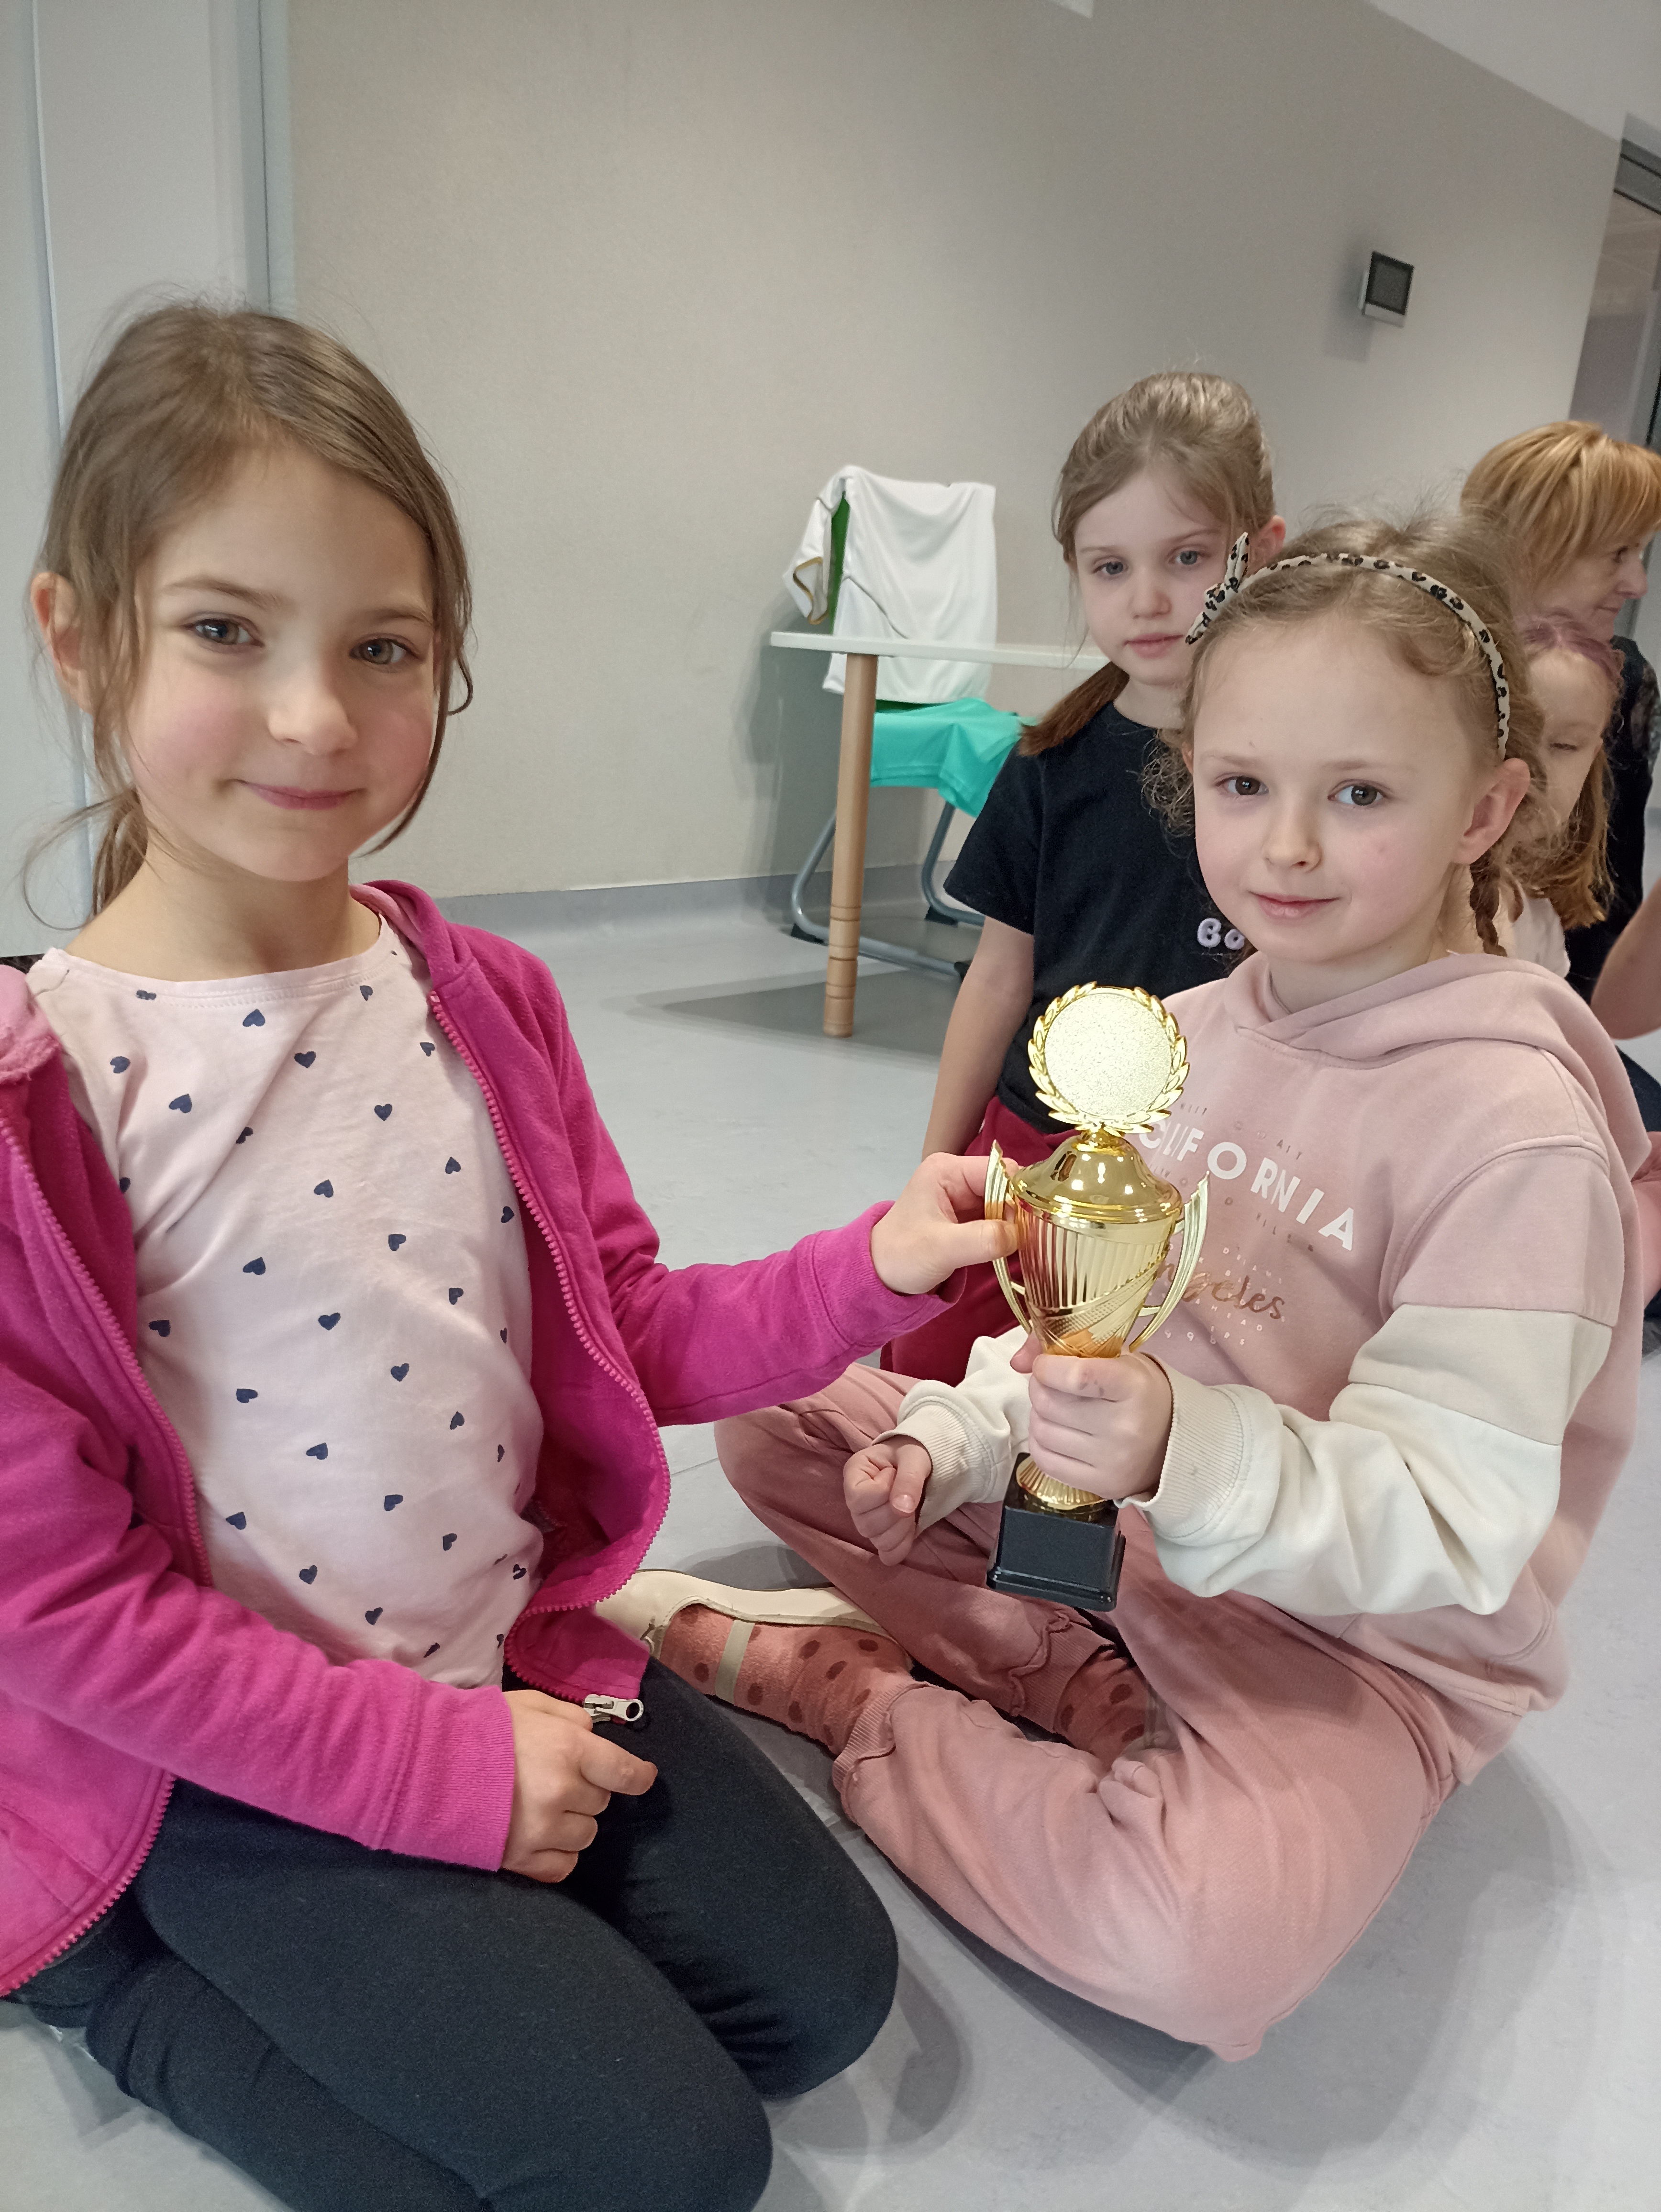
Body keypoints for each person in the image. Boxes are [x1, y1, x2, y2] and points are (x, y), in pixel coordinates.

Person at [0, 304, 1013, 2212]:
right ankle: (109, 1980)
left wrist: (874, 1266)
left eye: (381, 648)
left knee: (816, 2000)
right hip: (232, 1760)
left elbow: (618, 1324)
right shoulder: (40, 1103)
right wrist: (438, 1784)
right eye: (225, 630)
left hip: (508, 1646)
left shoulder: (480, 996)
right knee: (665, 2168)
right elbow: (61, 1609)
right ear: (80, 636)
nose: (315, 716)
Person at [603, 515, 1649, 2060]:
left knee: (1202, 1941)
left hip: (1354, 1641)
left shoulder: (1517, 1134)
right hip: (1123, 1537)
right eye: (1244, 786)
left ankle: (862, 1698)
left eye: (1360, 794)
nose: (1288, 847)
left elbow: (1456, 1520)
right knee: (781, 1416)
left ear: (1484, 809)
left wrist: (1179, 1447)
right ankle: (1066, 1674)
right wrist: (958, 1443)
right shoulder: (1188, 1034)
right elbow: (1076, 1336)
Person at [887, 372, 1285, 1385]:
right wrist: (935, 1167)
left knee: (1146, 1399)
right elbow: (996, 977)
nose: (1145, 598)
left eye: (1186, 557)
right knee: (937, 1383)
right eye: (1109, 566)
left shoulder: (1292, 774)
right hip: (1036, 1147)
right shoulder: (1047, 762)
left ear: (1260, 550)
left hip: (1217, 1160)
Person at [1461, 422, 1661, 1007]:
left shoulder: (1624, 683)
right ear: (1529, 548)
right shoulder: (1424, 667)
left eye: (1641, 553)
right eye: (1616, 554)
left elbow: (1604, 899)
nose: (1637, 583)